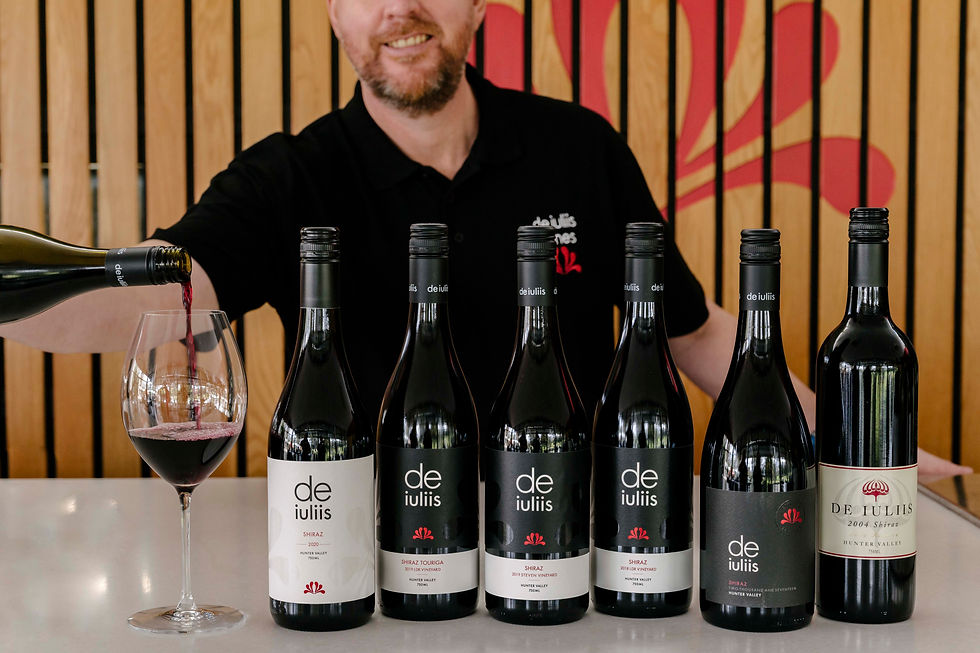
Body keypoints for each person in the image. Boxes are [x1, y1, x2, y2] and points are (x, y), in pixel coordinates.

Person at [0, 0, 968, 478]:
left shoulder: (578, 149)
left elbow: (696, 331)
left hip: (580, 538)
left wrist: (859, 452)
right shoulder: (292, 176)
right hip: (364, 544)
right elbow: (157, 290)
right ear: (334, 15)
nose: (399, 12)